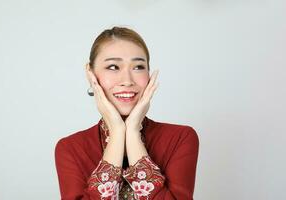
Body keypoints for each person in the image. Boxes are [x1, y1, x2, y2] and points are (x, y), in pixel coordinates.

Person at [55, 26, 199, 200]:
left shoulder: (180, 138)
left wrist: (132, 132)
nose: (127, 81)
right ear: (91, 75)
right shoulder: (71, 148)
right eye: (113, 66)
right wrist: (117, 133)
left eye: (138, 67)